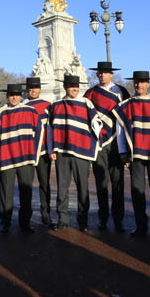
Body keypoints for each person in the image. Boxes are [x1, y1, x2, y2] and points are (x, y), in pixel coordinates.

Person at [113, 71, 150, 239]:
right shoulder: (126, 105)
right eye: (136, 82)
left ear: (148, 84)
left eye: (142, 82)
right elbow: (120, 131)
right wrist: (123, 152)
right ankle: (141, 225)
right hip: (136, 154)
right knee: (137, 191)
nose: (139, 85)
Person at [47, 74, 103, 231]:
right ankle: (62, 219)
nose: (75, 88)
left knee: (83, 188)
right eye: (71, 85)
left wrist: (96, 144)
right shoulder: (56, 104)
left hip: (82, 152)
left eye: (76, 86)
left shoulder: (86, 103)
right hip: (62, 152)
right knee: (62, 187)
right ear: (65, 87)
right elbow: (49, 129)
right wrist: (51, 148)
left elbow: (97, 124)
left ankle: (83, 221)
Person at [0, 83, 42, 233]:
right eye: (11, 95)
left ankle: (25, 222)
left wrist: (34, 156)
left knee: (26, 192)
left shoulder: (31, 111)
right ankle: (6, 222)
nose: (14, 97)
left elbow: (39, 133)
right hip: (7, 157)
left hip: (26, 158)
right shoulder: (0, 112)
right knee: (6, 192)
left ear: (21, 96)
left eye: (17, 95)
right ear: (7, 96)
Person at [84, 61, 130, 232]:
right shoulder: (90, 93)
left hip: (118, 143)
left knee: (118, 184)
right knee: (101, 183)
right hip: (99, 143)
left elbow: (127, 118)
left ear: (112, 74)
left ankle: (119, 219)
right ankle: (103, 218)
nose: (102, 75)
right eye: (100, 73)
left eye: (106, 73)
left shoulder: (121, 91)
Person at [23, 77, 54, 227]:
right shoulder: (22, 105)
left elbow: (52, 129)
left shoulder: (48, 106)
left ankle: (46, 214)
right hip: (27, 152)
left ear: (40, 89)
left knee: (44, 184)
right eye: (30, 88)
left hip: (43, 152)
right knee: (26, 185)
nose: (33, 91)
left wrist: (51, 148)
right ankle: (26, 217)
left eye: (35, 88)